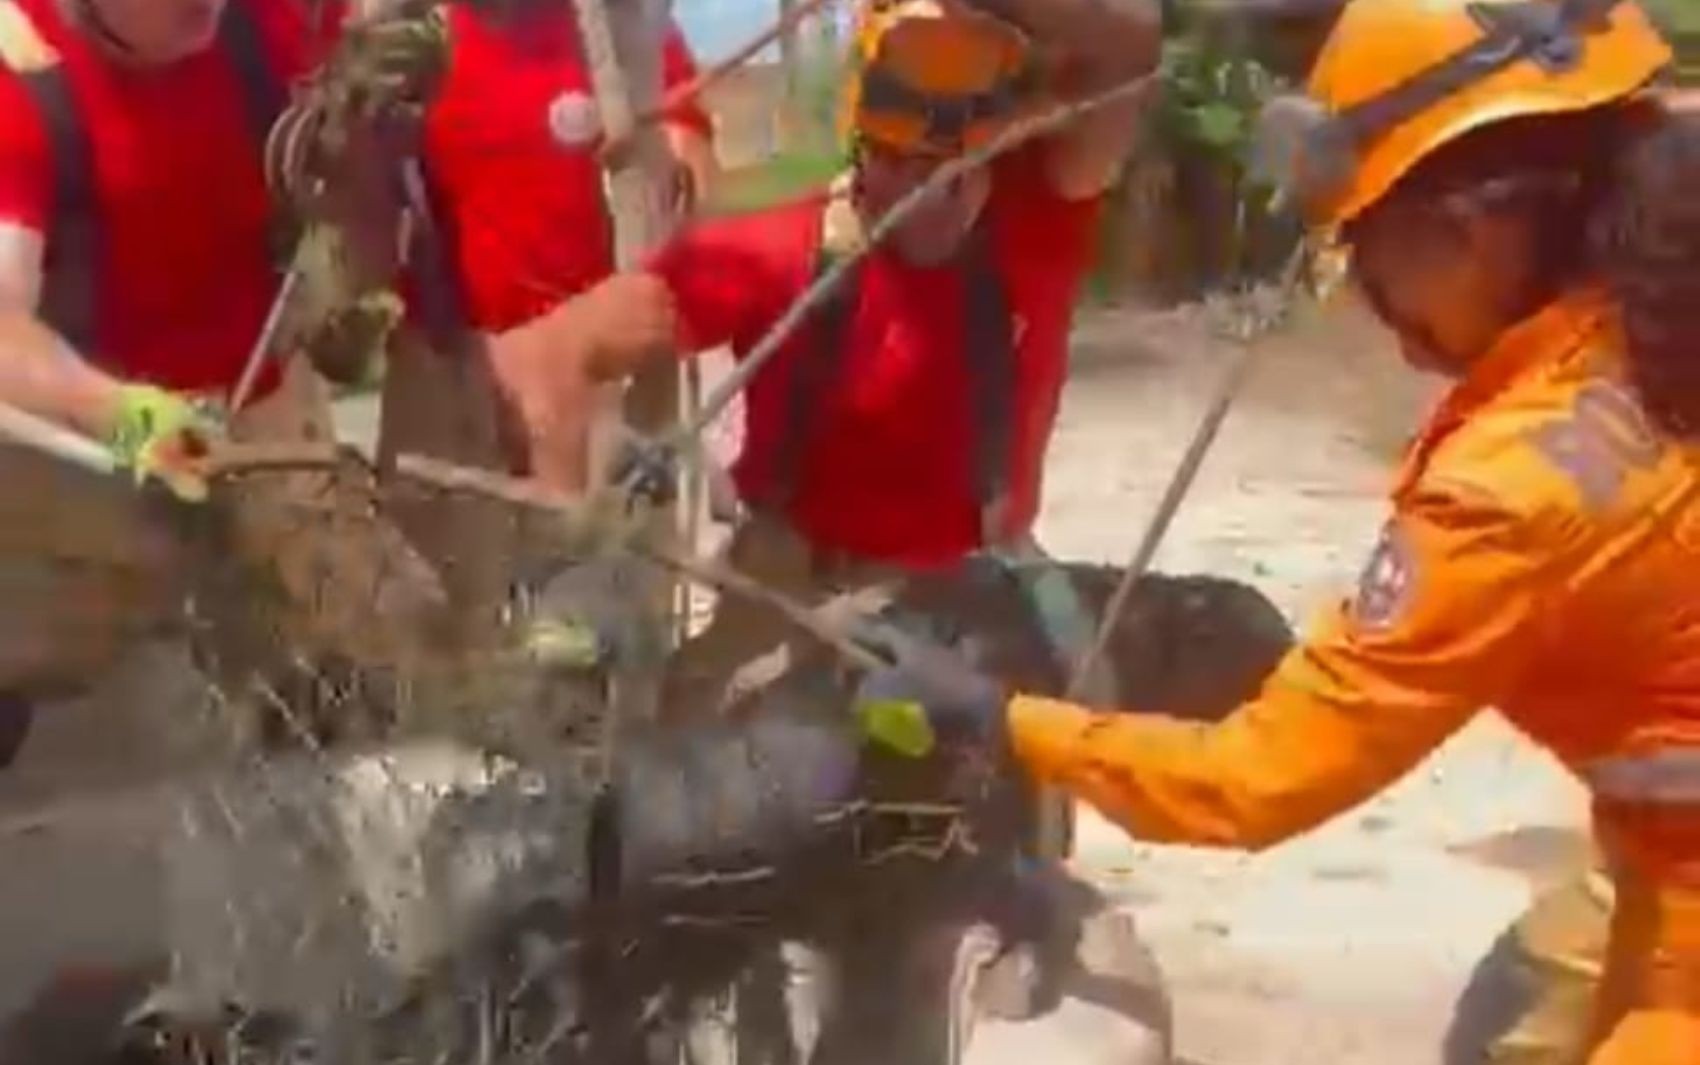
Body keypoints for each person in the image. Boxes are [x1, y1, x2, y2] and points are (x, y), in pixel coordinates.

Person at [859, 1, 1700, 1062]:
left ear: (1465, 230)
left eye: (1365, 245)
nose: (1365, 296)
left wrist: (997, 718)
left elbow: (1250, 781)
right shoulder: (1659, 306)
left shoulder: (1512, 492)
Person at [488, 0, 1161, 725]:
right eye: (893, 161)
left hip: (972, 591)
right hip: (787, 584)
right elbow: (543, 356)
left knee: (1044, 751)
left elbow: (1129, 44)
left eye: (945, 171)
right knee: (696, 755)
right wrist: (573, 565)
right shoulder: (773, 253)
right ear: (861, 147)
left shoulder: (1041, 222)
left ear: (996, 151)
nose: (915, 192)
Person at [0, 0, 344, 763]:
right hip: (99, 429)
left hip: (267, 414)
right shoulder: (18, 73)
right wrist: (122, 415)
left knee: (326, 673)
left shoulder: (276, 20)